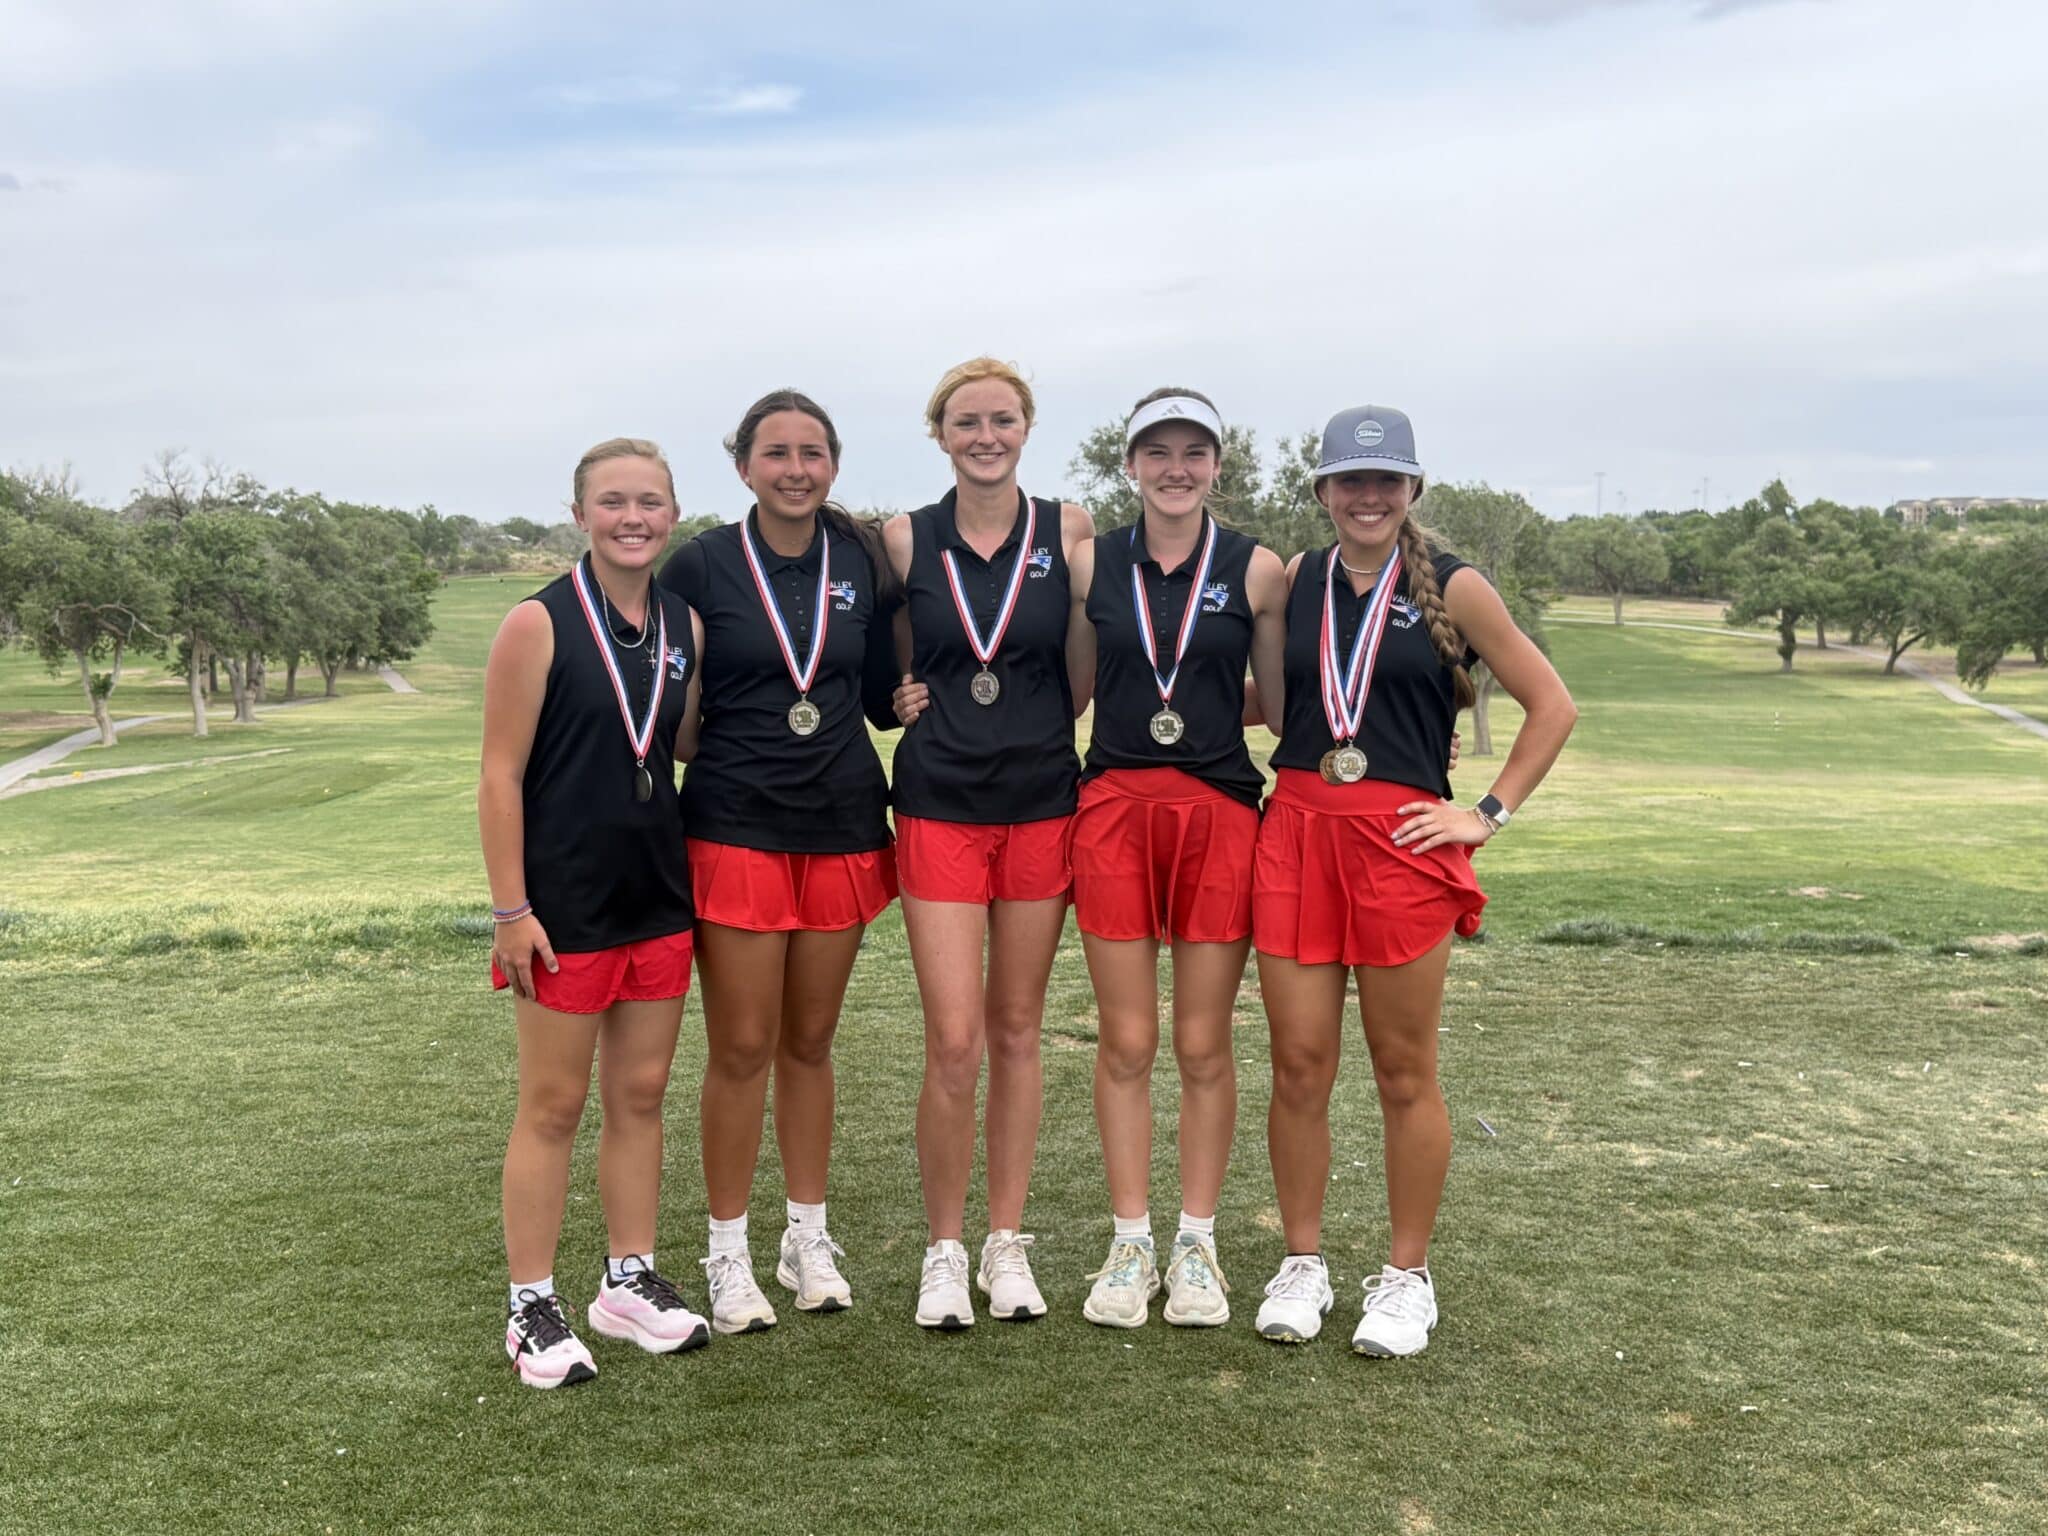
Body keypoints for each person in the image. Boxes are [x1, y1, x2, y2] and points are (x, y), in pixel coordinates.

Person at [1249, 405, 1576, 1355]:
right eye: (1350, 480)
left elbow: (1552, 706)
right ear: (1322, 491)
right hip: (1300, 837)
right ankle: (1302, 1265)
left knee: (1403, 1070)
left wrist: (1486, 813)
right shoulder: (1299, 579)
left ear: (1412, 489)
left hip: (1401, 848)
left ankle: (1405, 1278)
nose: (1368, 496)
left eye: (1386, 480)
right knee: (1301, 1065)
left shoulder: (1458, 587)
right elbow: (1273, 709)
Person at [657, 390, 902, 1334]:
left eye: (812, 452)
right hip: (735, 826)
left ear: (833, 464)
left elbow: (880, 693)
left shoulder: (863, 559)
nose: (795, 468)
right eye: (776, 452)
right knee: (743, 1047)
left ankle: (808, 1235)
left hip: (841, 823)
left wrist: (915, 699)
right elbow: (668, 707)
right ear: (744, 466)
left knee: (809, 1043)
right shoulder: (702, 564)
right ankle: (726, 1253)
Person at [481, 437, 711, 1389]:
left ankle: (628, 1281)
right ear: (580, 515)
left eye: (650, 501)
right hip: (562, 905)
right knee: (554, 1105)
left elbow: (680, 735)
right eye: (613, 501)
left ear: (671, 514)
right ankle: (530, 1304)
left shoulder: (683, 621)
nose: (633, 517)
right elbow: (499, 774)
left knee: (642, 1095)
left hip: (658, 893)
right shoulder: (535, 623)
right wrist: (511, 908)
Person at [1064, 388, 1288, 1329]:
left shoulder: (1259, 568)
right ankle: (1129, 1243)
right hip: (1115, 806)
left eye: (1194, 452)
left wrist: (1405, 742)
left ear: (1218, 466)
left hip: (1219, 811)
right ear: (1130, 466)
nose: (1176, 467)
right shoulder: (1088, 563)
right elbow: (1070, 688)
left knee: (1202, 1042)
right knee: (1127, 1040)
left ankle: (1196, 1242)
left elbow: (1283, 703)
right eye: (1157, 452)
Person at [882, 357, 1095, 1329]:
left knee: (1015, 1032)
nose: (984, 435)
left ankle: (1004, 1245)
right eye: (965, 421)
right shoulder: (903, 537)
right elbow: (885, 653)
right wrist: (895, 699)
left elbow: (1084, 662)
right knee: (955, 1039)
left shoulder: (1068, 530)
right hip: (936, 805)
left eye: (1001, 419)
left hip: (1041, 801)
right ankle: (943, 1249)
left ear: (1024, 429)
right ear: (939, 435)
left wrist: (1037, 723)